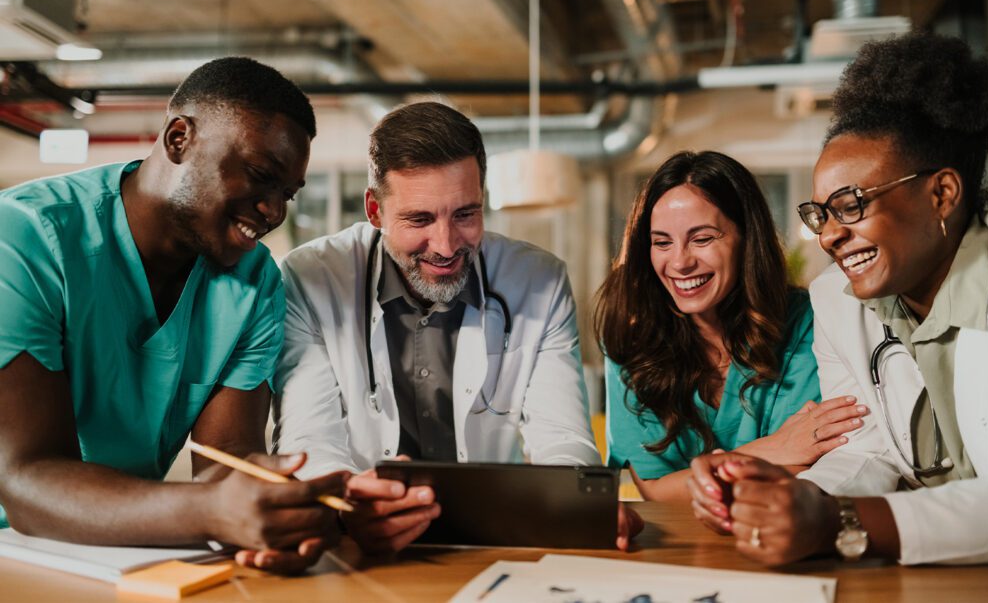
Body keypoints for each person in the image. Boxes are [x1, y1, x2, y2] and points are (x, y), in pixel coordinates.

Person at [0, 57, 399, 575]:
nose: (275, 212)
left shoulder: (255, 282)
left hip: (124, 557)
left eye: (288, 194)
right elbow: (24, 483)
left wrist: (295, 514)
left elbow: (229, 462)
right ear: (179, 139)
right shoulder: (25, 238)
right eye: (261, 176)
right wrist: (211, 513)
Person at [688, 31, 988, 566]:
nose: (827, 236)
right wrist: (791, 497)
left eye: (851, 204)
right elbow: (867, 448)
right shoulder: (836, 300)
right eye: (820, 214)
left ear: (942, 193)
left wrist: (839, 522)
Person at [273, 101, 641, 553]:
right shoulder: (310, 278)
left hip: (497, 540)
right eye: (419, 219)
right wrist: (348, 504)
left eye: (465, 214)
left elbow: (562, 438)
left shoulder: (539, 281)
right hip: (360, 543)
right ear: (374, 210)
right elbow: (309, 441)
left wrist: (575, 507)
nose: (446, 246)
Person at [595, 151, 864, 504]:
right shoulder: (631, 343)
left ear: (747, 239)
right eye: (662, 242)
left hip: (788, 527)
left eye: (702, 238)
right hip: (683, 546)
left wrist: (699, 475)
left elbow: (813, 459)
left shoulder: (810, 325)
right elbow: (656, 490)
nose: (679, 262)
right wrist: (773, 449)